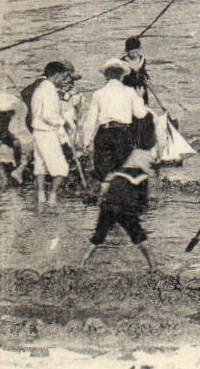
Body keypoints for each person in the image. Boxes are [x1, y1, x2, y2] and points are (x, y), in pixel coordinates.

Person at [82, 148, 157, 273]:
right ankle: (153, 266)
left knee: (98, 236)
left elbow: (104, 190)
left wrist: (100, 200)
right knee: (139, 236)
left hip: (109, 205)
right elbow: (143, 199)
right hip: (125, 208)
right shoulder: (143, 176)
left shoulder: (118, 173)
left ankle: (81, 263)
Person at [81, 59, 149, 177]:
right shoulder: (130, 92)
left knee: (104, 170)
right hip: (123, 132)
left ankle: (104, 190)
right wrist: (140, 97)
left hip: (104, 132)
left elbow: (91, 120)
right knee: (122, 170)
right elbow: (141, 114)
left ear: (106, 76)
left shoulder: (98, 93)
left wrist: (86, 141)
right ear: (122, 76)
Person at [26, 62, 77, 209]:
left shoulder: (39, 88)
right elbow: (48, 115)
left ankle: (41, 198)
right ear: (56, 75)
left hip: (37, 131)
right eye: (62, 77)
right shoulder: (48, 90)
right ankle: (52, 198)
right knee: (62, 169)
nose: (63, 80)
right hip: (47, 132)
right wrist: (63, 122)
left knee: (40, 166)